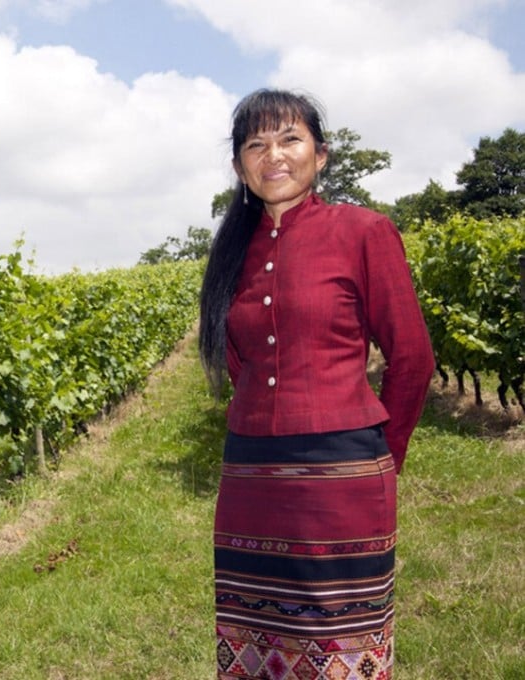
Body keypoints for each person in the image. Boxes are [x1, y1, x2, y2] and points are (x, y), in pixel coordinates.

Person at [198, 89, 434, 679]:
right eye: (255, 145)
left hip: (343, 476)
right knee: (257, 636)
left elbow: (412, 359)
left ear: (320, 155)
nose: (272, 155)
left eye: (289, 139)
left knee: (341, 643)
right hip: (250, 475)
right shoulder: (230, 252)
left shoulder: (363, 232)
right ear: (238, 167)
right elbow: (236, 359)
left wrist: (381, 457)